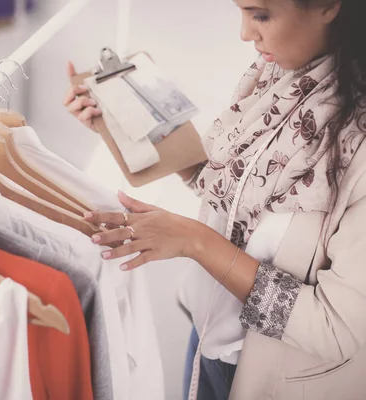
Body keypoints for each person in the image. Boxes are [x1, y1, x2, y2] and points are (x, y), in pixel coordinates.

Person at [63, 1, 366, 399]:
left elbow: (336, 326)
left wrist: (196, 242)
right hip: (207, 340)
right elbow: (229, 191)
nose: (244, 33)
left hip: (272, 376)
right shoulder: (277, 76)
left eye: (260, 15)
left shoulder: (356, 144)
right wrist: (127, 120)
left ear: (328, 6)